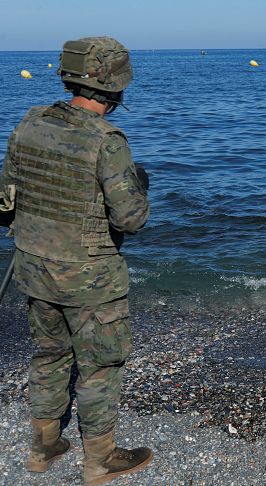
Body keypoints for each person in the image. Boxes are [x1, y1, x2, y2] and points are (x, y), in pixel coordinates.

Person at [0, 37, 153, 484]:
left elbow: (4, 204)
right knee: (100, 366)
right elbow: (131, 218)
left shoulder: (29, 123)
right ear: (115, 87)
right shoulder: (107, 141)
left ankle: (43, 448)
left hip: (33, 266)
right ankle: (99, 460)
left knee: (49, 353)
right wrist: (139, 186)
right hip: (90, 276)